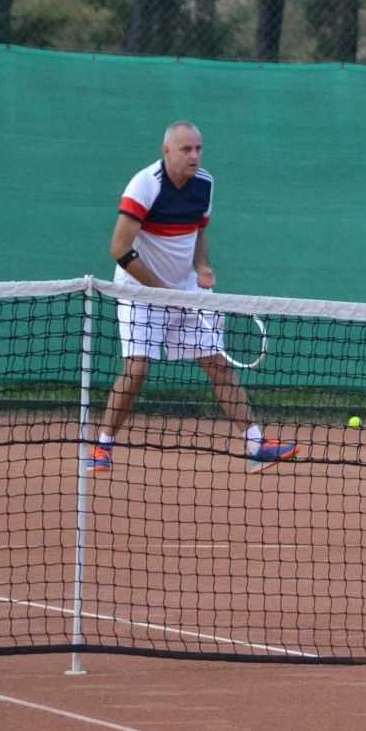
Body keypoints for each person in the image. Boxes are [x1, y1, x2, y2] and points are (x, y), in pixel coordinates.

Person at [90, 121, 299, 474]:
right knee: (137, 369)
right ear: (166, 151)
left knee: (218, 363)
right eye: (186, 149)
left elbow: (199, 233)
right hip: (138, 290)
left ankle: (256, 445)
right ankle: (103, 446)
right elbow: (119, 249)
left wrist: (203, 267)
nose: (194, 156)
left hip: (187, 289)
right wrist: (162, 291)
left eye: (199, 149)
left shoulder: (205, 184)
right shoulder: (144, 186)